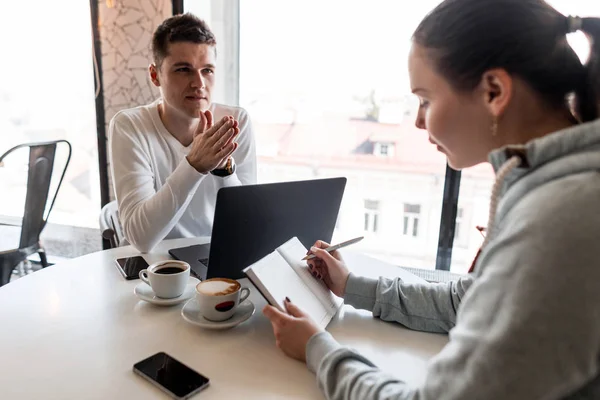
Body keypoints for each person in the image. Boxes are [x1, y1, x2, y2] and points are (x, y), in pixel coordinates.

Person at [263, 0, 600, 398]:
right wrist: (352, 285)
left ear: (494, 91)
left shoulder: (558, 221)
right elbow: (470, 299)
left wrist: (318, 350)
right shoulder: (553, 184)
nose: (419, 121)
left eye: (425, 99)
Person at [109, 13, 257, 253]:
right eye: (183, 70)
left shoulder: (236, 121)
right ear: (155, 75)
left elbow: (248, 225)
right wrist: (194, 166)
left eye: (207, 70)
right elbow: (141, 238)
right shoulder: (130, 126)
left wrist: (223, 170)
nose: (198, 83)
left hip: (214, 258)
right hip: (153, 269)